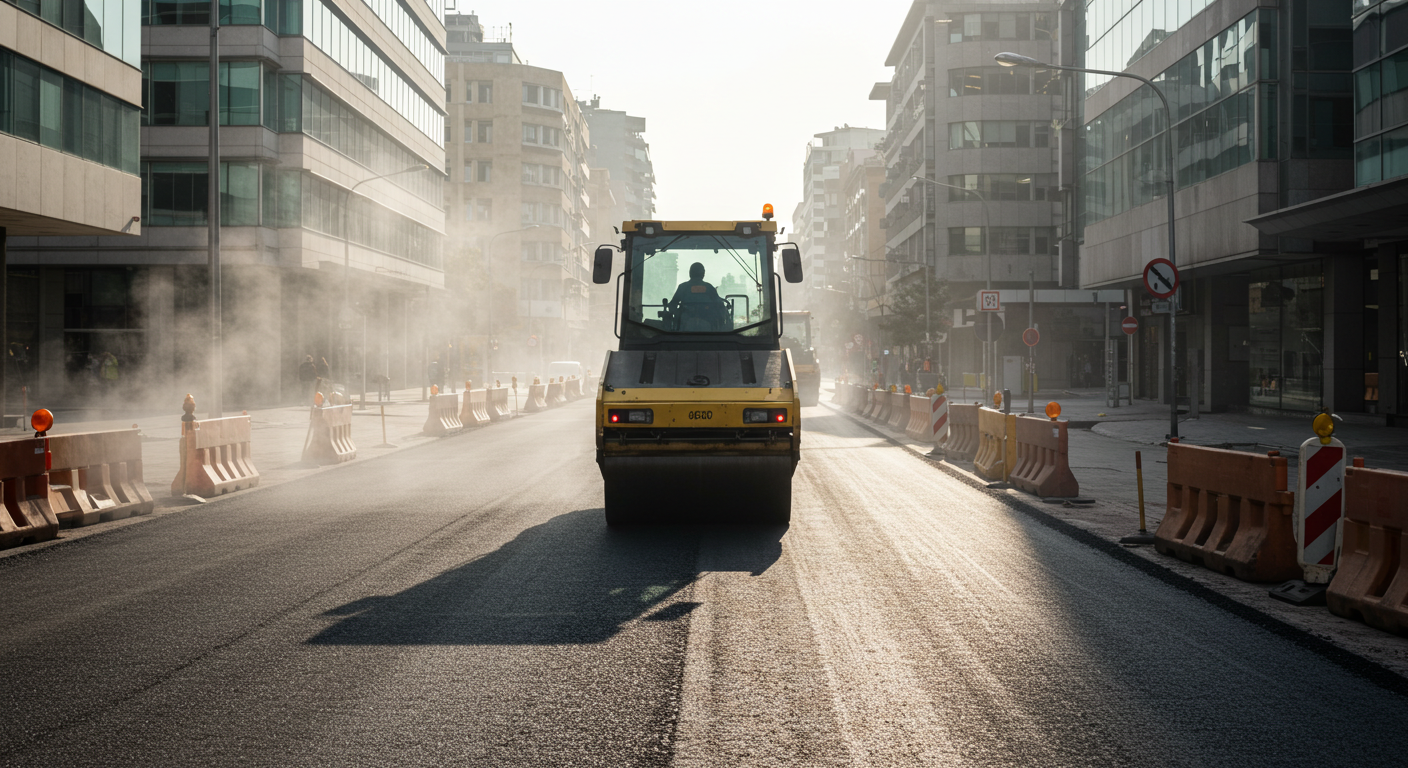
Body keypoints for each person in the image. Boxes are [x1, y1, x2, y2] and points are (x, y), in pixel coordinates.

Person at [667, 262, 728, 331]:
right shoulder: (709, 288)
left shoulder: (683, 287)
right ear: (703, 274)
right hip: (708, 326)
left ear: (690, 273)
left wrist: (677, 314)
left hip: (684, 326)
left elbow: (672, 305)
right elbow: (720, 306)